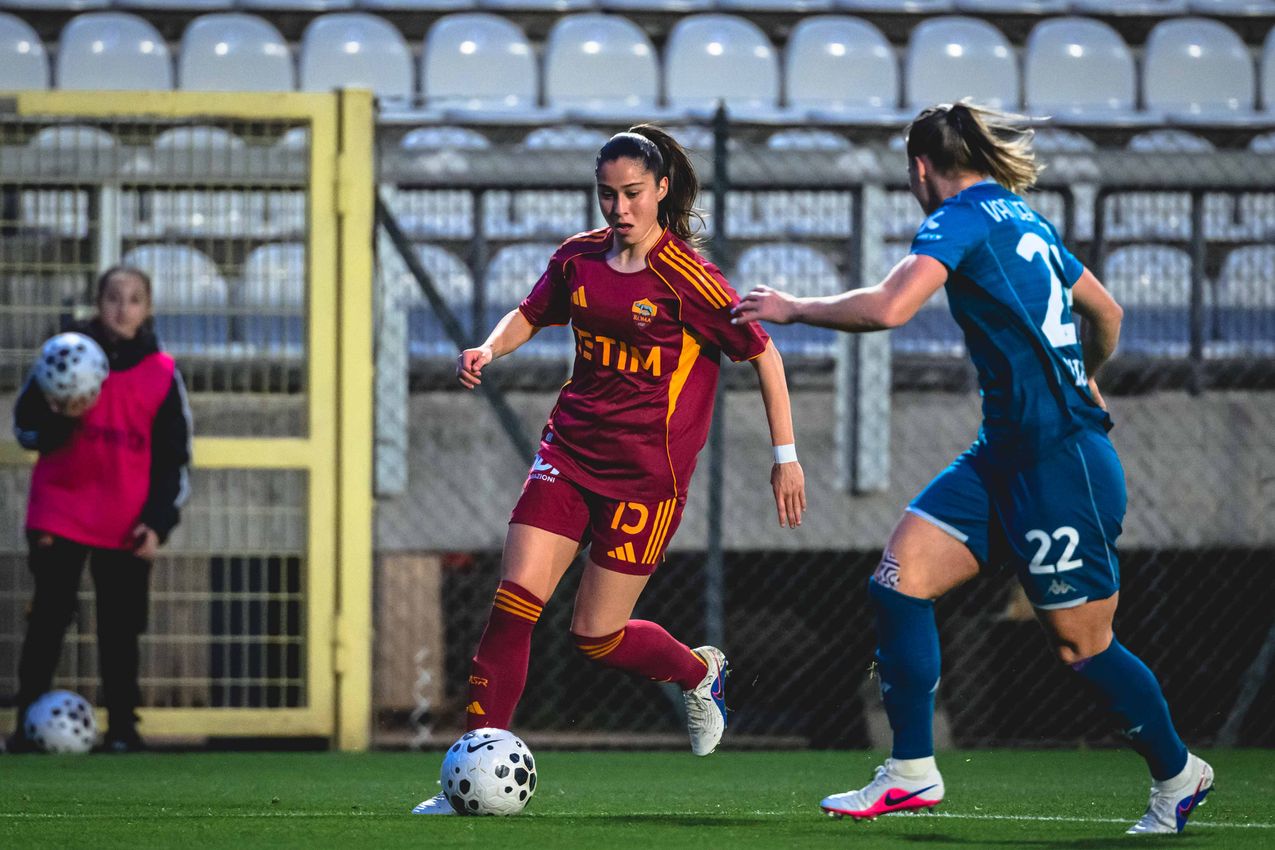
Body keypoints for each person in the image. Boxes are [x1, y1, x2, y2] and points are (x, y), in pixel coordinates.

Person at [733, 102, 1212, 836]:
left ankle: (1178, 775)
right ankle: (911, 771)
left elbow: (890, 308)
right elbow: (1108, 312)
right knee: (899, 579)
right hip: (1004, 452)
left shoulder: (957, 217)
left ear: (920, 167)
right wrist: (1087, 372)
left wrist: (792, 308)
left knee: (1082, 646)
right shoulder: (1024, 218)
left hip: (1059, 462)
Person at [414, 125, 806, 814]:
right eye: (606, 194)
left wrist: (786, 458)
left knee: (595, 637)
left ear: (661, 189)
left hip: (646, 480)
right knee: (512, 606)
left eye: (632, 193)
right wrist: (489, 348)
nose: (619, 208)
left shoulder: (689, 279)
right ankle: (469, 776)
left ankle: (697, 673)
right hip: (567, 455)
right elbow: (529, 314)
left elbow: (764, 355)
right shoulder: (578, 259)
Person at [7, 265, 192, 754]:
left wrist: (158, 523)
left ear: (147, 309)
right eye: (113, 298)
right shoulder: (64, 356)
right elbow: (26, 430)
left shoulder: (161, 373)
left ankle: (124, 728)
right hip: (60, 510)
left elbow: (174, 459)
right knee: (49, 617)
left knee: (121, 625)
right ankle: (26, 725)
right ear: (98, 303)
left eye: (134, 300)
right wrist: (60, 418)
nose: (122, 309)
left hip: (125, 519)